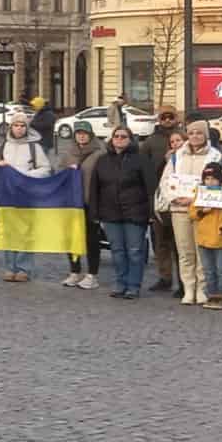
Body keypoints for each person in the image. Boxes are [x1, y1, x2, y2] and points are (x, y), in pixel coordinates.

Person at [0, 110, 51, 282]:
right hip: (6, 196)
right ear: (11, 127)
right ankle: (10, 267)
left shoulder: (34, 147)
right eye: (16, 125)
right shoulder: (1, 147)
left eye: (22, 125)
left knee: (26, 231)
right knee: (8, 231)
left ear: (27, 128)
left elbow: (45, 169)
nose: (19, 128)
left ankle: (24, 268)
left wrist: (26, 175)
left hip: (27, 195)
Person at [161, 121, 222, 306]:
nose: (195, 136)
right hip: (179, 210)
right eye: (192, 133)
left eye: (199, 133)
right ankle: (188, 288)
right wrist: (174, 197)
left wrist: (196, 199)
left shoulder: (215, 156)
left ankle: (202, 288)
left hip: (204, 211)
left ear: (205, 135)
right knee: (185, 251)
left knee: (202, 251)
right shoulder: (177, 156)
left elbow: (220, 183)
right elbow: (166, 181)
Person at [89, 126, 151, 299]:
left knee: (134, 251)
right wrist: (95, 212)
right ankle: (120, 283)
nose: (119, 139)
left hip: (136, 211)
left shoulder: (141, 159)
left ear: (130, 139)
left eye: (124, 136)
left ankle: (133, 286)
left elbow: (150, 187)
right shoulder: (102, 160)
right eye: (116, 136)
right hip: (110, 213)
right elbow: (95, 187)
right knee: (117, 251)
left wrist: (151, 212)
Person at [139, 107, 182, 293]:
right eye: (164, 117)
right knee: (161, 242)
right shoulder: (150, 141)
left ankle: (184, 282)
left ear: (176, 118)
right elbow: (144, 168)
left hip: (181, 198)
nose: (167, 120)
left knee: (180, 244)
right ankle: (165, 277)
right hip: (158, 197)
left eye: (170, 117)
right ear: (159, 119)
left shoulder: (184, 137)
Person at [59, 122, 104, 289]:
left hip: (90, 202)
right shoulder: (68, 154)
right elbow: (59, 174)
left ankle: (92, 274)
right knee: (72, 238)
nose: (82, 136)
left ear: (91, 135)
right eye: (78, 133)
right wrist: (66, 172)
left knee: (92, 239)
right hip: (72, 203)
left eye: (85, 133)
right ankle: (74, 271)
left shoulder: (99, 154)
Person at [190, 162, 222, 309]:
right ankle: (211, 295)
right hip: (204, 238)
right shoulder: (200, 194)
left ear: (220, 180)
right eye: (207, 179)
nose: (210, 182)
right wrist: (202, 211)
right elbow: (192, 212)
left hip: (220, 238)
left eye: (213, 179)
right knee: (208, 270)